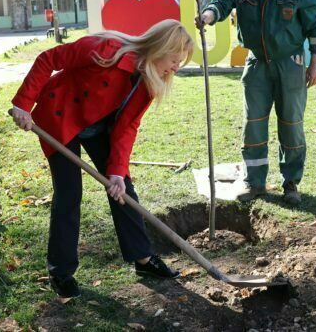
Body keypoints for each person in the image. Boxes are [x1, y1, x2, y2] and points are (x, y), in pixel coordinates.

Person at [10, 19, 194, 298]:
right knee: (69, 192)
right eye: (175, 59)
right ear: (160, 48)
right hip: (62, 116)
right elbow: (50, 59)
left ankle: (142, 258)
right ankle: (61, 271)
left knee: (122, 189)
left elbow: (127, 126)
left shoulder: (149, 81)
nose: (176, 68)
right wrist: (23, 104)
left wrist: (117, 172)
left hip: (98, 125)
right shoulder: (106, 49)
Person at [198, 0, 316, 204]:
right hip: (256, 64)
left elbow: (314, 24)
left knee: (291, 123)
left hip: (291, 62)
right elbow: (223, 1)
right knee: (253, 125)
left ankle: (291, 183)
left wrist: (315, 62)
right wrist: (208, 15)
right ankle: (254, 183)